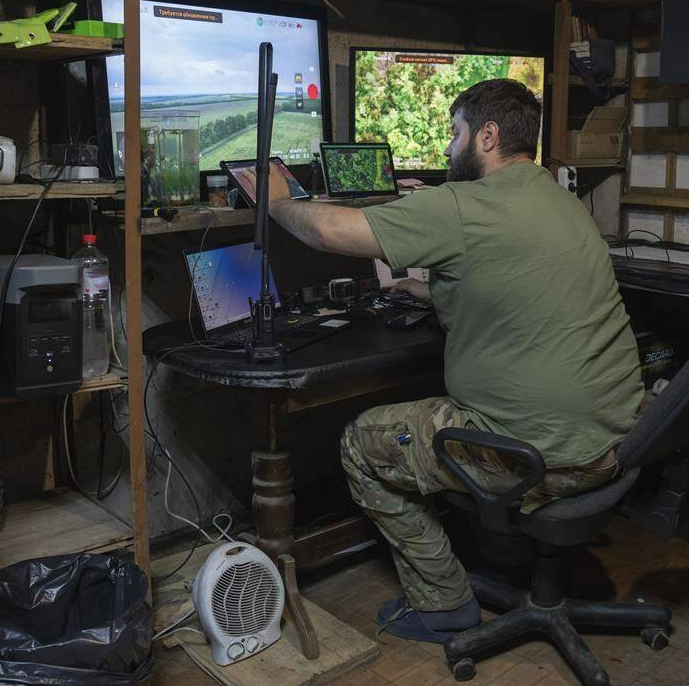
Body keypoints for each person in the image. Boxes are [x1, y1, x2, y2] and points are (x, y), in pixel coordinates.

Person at [267, 78, 643, 643]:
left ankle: (444, 605)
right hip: (610, 443)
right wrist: (422, 292)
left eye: (453, 134)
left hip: (537, 456)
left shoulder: (463, 205)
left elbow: (325, 229)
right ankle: (508, 556)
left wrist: (273, 200)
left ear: (486, 137)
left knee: (359, 442)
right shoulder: (560, 199)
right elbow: (504, 279)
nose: (446, 149)